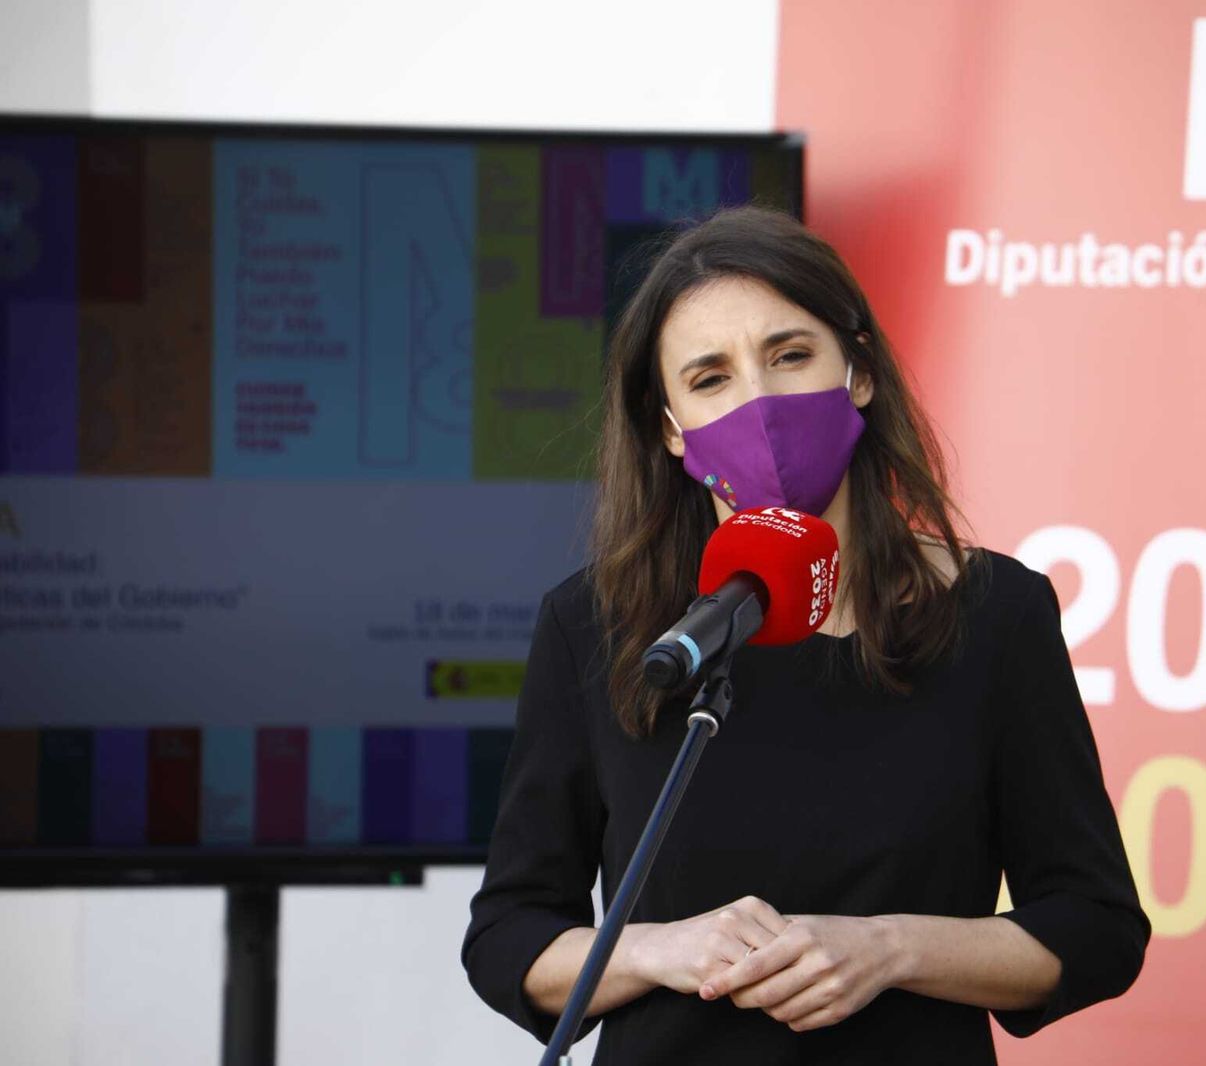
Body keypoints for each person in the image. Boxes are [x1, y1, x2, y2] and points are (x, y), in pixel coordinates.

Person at [460, 205, 1148, 1065]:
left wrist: (891, 949)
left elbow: (1095, 926)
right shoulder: (597, 626)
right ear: (670, 428)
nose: (759, 402)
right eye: (710, 378)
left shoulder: (995, 613)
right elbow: (509, 937)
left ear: (858, 371)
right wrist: (657, 950)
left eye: (789, 356)